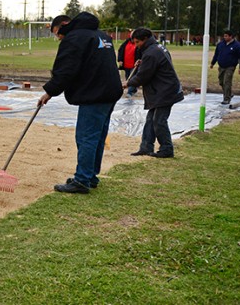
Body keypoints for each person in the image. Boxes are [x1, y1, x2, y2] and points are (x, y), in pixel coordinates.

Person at [40, 12, 122, 194]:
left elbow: (66, 70)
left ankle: (82, 179)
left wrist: (49, 92)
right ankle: (90, 176)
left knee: (86, 137)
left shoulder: (75, 38)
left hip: (95, 94)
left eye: (57, 33)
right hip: (109, 92)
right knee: (98, 136)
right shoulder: (102, 35)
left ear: (64, 25)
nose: (59, 38)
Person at [124, 28, 184, 159]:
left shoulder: (151, 53)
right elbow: (152, 66)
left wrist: (128, 83)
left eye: (137, 42)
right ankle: (146, 147)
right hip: (160, 90)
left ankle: (167, 149)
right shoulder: (156, 48)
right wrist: (142, 63)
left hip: (165, 91)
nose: (136, 45)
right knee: (151, 119)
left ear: (145, 39)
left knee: (159, 121)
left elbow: (143, 76)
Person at [210, 30, 240, 105]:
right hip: (221, 66)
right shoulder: (220, 44)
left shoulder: (238, 45)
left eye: (226, 36)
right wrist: (212, 63)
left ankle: (226, 99)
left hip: (230, 66)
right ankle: (229, 93)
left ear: (231, 36)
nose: (224, 37)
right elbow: (216, 54)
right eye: (224, 36)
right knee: (221, 82)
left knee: (227, 82)